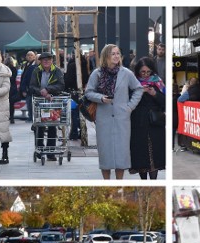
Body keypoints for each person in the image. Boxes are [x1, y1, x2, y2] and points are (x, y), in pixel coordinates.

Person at [86, 44, 143, 180]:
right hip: (103, 117)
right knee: (105, 152)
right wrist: (100, 98)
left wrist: (129, 107)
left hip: (122, 117)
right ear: (106, 56)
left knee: (121, 152)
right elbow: (88, 92)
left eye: (118, 53)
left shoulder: (126, 73)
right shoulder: (97, 73)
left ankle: (119, 181)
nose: (117, 56)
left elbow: (138, 89)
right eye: (113, 54)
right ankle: (106, 182)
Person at [129, 57, 165, 180]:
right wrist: (139, 92)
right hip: (138, 123)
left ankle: (153, 180)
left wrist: (154, 94)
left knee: (155, 154)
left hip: (155, 123)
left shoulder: (158, 82)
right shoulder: (133, 83)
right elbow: (128, 102)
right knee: (140, 155)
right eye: (142, 72)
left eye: (148, 72)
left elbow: (165, 102)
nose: (145, 75)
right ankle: (143, 180)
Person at [29, 52, 65, 161]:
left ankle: (50, 151)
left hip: (53, 102)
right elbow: (32, 86)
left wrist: (48, 89)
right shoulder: (36, 71)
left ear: (52, 60)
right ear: (40, 61)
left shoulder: (57, 71)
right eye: (43, 59)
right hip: (40, 102)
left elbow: (61, 85)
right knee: (39, 125)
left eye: (48, 59)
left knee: (52, 125)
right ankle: (39, 149)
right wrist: (42, 92)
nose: (46, 61)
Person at [64, 51, 89, 140]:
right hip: (82, 91)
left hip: (73, 91)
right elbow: (86, 77)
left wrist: (66, 88)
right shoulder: (85, 64)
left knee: (74, 112)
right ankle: (82, 131)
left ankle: (74, 132)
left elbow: (68, 80)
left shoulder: (71, 65)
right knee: (81, 112)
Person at [19, 51, 38, 122]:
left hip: (32, 88)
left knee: (31, 104)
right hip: (28, 88)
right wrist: (23, 89)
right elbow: (24, 77)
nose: (29, 57)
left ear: (34, 57)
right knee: (29, 103)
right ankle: (30, 116)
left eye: (31, 55)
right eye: (28, 55)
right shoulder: (26, 64)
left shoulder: (34, 66)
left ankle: (31, 117)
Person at [4, 56, 19, 124]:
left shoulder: (4, 68)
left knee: (5, 103)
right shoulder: (14, 69)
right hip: (12, 87)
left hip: (5, 87)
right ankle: (12, 117)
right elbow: (13, 78)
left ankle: (7, 117)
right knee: (11, 104)